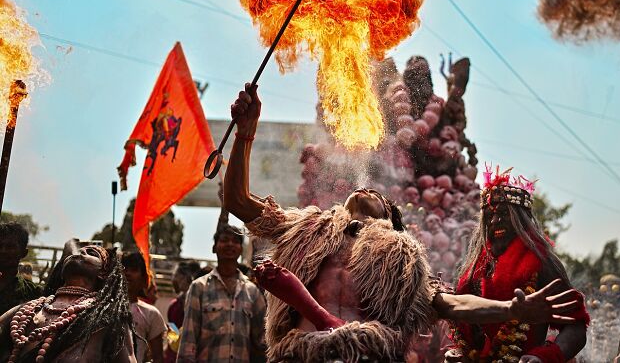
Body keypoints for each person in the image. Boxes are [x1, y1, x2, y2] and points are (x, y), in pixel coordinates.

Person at [224, 84, 583, 362]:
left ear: (390, 223)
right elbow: (238, 201)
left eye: (381, 198)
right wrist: (245, 131)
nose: (367, 190)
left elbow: (451, 305)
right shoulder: (307, 229)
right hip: (298, 353)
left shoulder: (401, 261)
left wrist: (511, 310)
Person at [447, 165, 588, 362]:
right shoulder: (474, 269)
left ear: (521, 220)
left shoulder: (542, 262)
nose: (495, 221)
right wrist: (460, 352)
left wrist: (544, 357)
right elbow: (465, 321)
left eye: (504, 214)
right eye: (490, 216)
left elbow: (576, 326)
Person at [0, 239, 136, 362]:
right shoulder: (26, 309)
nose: (81, 251)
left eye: (91, 253)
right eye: (79, 250)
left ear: (103, 273)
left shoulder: (109, 317)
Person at [177, 224, 266, 363]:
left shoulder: (252, 292)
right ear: (214, 248)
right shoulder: (198, 288)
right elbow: (188, 341)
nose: (230, 244)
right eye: (224, 240)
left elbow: (262, 341)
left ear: (241, 249)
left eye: (235, 241)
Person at [122, 251, 167, 363]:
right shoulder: (104, 309)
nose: (127, 273)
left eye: (133, 270)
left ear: (144, 280)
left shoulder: (151, 314)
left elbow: (158, 358)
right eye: (123, 268)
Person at [0, 222, 42, 315]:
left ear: (24, 253)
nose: (3, 251)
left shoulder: (34, 293)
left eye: (10, 247)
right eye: (0, 245)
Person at [165, 261, 201, 363]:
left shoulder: (175, 306)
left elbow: (173, 336)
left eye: (177, 276)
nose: (175, 280)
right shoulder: (175, 306)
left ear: (186, 277)